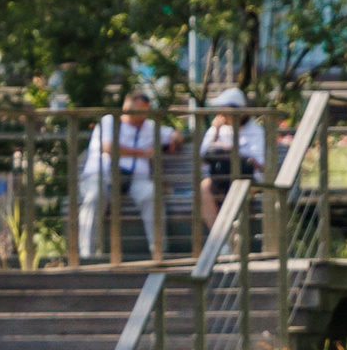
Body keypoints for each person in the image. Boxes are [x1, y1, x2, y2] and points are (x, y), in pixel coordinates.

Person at [76, 89, 176, 261]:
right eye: (138, 111)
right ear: (127, 107)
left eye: (145, 111)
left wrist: (168, 145)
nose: (142, 116)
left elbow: (175, 135)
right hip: (103, 174)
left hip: (136, 178)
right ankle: (87, 256)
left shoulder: (150, 127)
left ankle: (159, 253)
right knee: (94, 197)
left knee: (151, 195)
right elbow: (108, 148)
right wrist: (142, 153)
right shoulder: (110, 121)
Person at [197, 86, 267, 235]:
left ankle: (232, 237)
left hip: (247, 179)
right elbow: (203, 159)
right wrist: (215, 132)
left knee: (237, 190)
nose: (221, 113)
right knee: (204, 188)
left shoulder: (256, 131)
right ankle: (220, 238)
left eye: (225, 109)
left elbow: (259, 163)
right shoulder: (216, 129)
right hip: (220, 178)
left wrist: (232, 152)